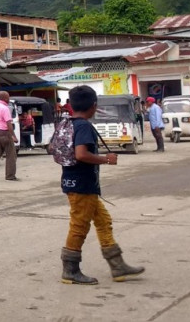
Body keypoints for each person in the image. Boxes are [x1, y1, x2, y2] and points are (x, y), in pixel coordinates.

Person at [60, 85, 144, 285]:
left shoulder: (68, 123)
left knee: (103, 221)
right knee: (79, 226)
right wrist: (106, 159)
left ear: (70, 105)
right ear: (94, 106)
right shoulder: (83, 126)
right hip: (82, 185)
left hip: (75, 182)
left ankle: (117, 266)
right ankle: (70, 270)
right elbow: (81, 154)